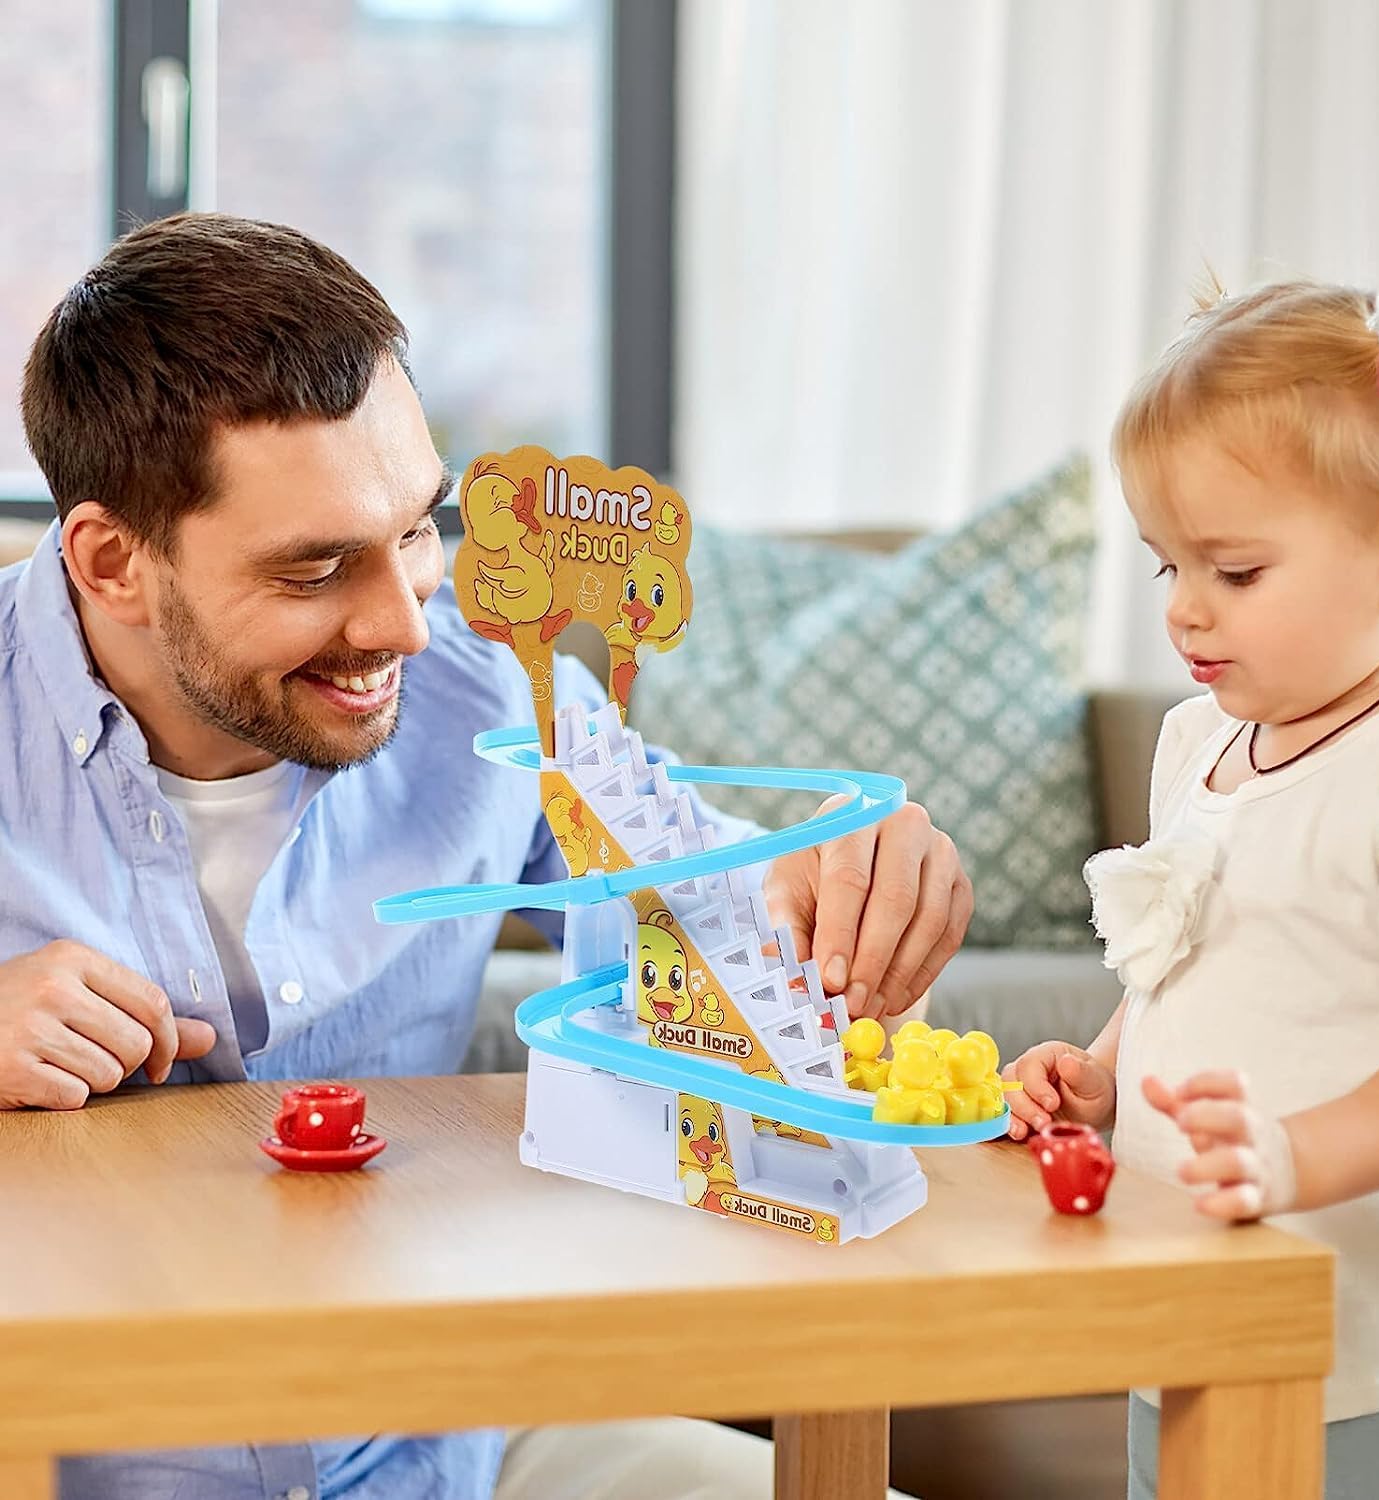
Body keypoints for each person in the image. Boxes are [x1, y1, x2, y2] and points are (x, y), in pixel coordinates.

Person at [0, 212, 969, 1499]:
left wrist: (840, 876)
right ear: (113, 561)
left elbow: (702, 881)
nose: (403, 619)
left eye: (414, 526)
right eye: (316, 569)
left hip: (429, 1452)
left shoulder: (480, 696)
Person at [1004, 279, 1379, 1498]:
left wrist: (1294, 1157)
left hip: (1377, 1362)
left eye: (1234, 570)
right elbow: (1186, 960)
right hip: (1187, 1315)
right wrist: (1106, 1072)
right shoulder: (1196, 743)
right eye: (1168, 562)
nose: (1181, 609)